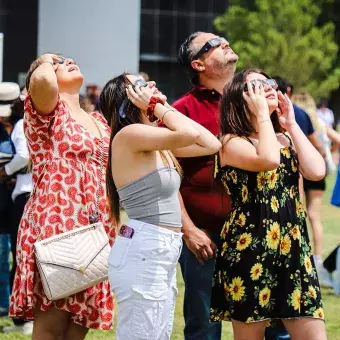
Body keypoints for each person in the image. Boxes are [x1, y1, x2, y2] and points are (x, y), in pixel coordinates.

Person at [99, 72, 221, 340]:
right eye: (142, 85)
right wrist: (157, 106)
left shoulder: (153, 140)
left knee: (158, 333)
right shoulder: (130, 135)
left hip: (159, 248)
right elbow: (188, 132)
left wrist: (156, 109)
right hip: (145, 247)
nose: (153, 85)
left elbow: (211, 143)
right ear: (128, 99)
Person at [210, 69, 327, 340]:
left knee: (314, 333)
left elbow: (317, 171)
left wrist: (291, 125)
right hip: (250, 247)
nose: (268, 88)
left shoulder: (285, 138)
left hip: (293, 247)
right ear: (240, 99)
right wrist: (264, 116)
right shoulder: (230, 142)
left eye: (269, 83)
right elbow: (269, 160)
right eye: (257, 86)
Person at [9, 54, 115, 339]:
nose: (70, 61)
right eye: (60, 62)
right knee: (51, 326)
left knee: (77, 328)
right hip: (57, 225)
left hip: (95, 227)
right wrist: (44, 60)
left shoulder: (98, 121)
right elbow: (42, 80)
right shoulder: (47, 111)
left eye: (70, 60)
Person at [173, 31, 238, 340]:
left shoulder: (251, 101)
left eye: (222, 38)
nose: (223, 42)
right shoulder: (180, 111)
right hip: (204, 235)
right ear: (198, 64)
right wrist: (188, 230)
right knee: (204, 327)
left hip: (255, 231)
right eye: (214, 43)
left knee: (264, 320)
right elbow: (162, 176)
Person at [0, 88, 34, 335]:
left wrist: (6, 171)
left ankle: (22, 318)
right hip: (30, 193)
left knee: (21, 255)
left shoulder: (22, 124)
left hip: (24, 195)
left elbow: (23, 155)